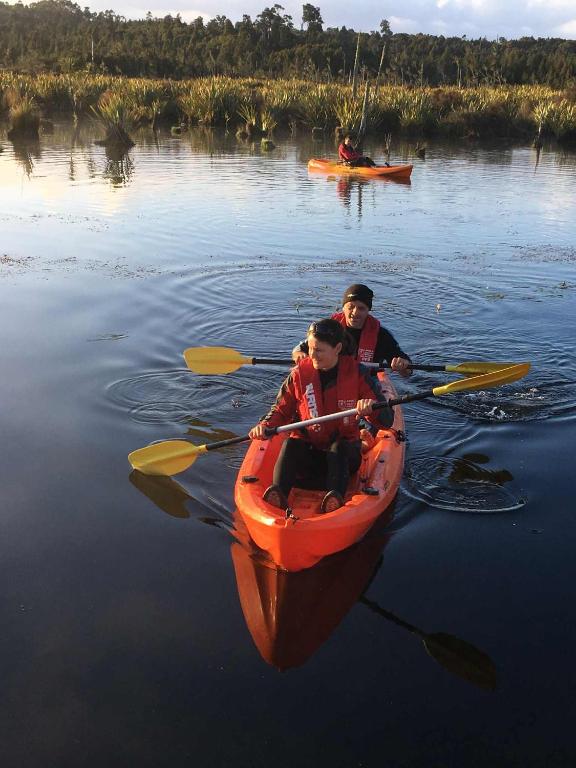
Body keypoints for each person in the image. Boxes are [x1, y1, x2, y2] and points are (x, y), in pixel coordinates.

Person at [249, 319, 394, 515]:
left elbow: (386, 421)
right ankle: (278, 495)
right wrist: (265, 425)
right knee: (291, 444)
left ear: (337, 348)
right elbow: (281, 410)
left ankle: (335, 498)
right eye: (310, 349)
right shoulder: (300, 373)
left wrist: (371, 409)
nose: (312, 355)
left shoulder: (358, 373)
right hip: (309, 456)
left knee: (339, 447)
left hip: (343, 459)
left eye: (319, 350)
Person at [292, 283, 412, 376]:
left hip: (367, 381)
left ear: (368, 310)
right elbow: (299, 349)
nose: (355, 312)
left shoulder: (381, 335)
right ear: (343, 308)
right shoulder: (329, 329)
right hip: (333, 377)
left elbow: (407, 369)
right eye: (351, 307)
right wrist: (298, 354)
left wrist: (403, 367)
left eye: (361, 308)